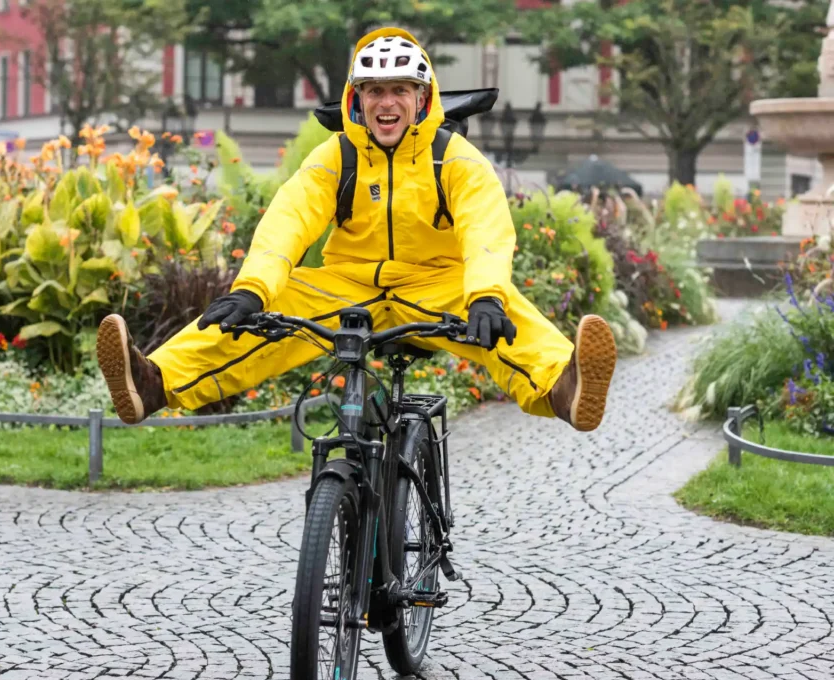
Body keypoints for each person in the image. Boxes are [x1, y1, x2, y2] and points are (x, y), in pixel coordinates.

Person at [96, 27, 617, 432]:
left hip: (438, 283)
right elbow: (288, 220)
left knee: (508, 317)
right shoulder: (336, 156)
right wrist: (252, 291)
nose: (385, 103)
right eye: (373, 91)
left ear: (422, 98)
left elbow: (487, 229)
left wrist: (484, 297)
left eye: (399, 90)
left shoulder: (454, 158)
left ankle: (564, 387)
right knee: (252, 319)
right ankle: (153, 383)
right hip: (348, 288)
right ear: (356, 99)